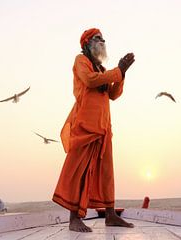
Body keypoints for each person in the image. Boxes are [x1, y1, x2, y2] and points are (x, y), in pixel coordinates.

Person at [52, 28, 135, 232]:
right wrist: (116, 71)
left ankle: (110, 215)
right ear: (87, 43)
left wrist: (121, 73)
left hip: (103, 127)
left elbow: (113, 94)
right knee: (77, 171)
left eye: (103, 39)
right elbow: (89, 80)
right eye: (98, 39)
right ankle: (73, 218)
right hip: (85, 125)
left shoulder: (101, 69)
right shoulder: (81, 61)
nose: (102, 41)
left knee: (107, 172)